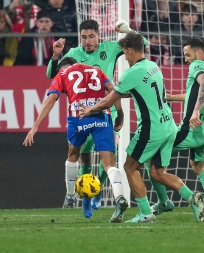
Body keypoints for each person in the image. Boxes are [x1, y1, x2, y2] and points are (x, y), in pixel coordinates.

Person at [79, 32, 204, 223]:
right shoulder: (152, 65)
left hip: (151, 130)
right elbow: (139, 91)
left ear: (130, 51)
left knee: (129, 167)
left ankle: (146, 212)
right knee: (157, 172)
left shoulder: (130, 73)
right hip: (169, 126)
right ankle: (191, 198)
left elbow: (108, 101)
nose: (125, 58)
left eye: (124, 53)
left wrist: (89, 109)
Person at [46, 19, 148, 216]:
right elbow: (53, 75)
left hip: (106, 110)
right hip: (83, 113)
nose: (87, 41)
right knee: (84, 157)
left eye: (91, 36)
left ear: (98, 35)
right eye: (84, 37)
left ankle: (98, 190)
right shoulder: (74, 54)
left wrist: (128, 30)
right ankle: (86, 196)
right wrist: (55, 55)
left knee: (108, 153)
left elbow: (140, 44)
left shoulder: (110, 48)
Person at [23, 57, 128, 222]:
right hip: (101, 117)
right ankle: (120, 197)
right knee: (109, 164)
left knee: (73, 155)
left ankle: (71, 196)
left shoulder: (63, 73)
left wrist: (36, 125)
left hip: (78, 117)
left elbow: (51, 99)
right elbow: (112, 90)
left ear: (63, 68)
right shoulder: (96, 70)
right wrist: (120, 114)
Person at [148, 37, 204, 221]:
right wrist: (171, 97)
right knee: (199, 166)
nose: (185, 59)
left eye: (187, 55)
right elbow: (197, 92)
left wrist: (195, 112)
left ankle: (164, 202)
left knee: (150, 156)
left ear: (199, 53)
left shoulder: (197, 65)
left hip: (192, 129)